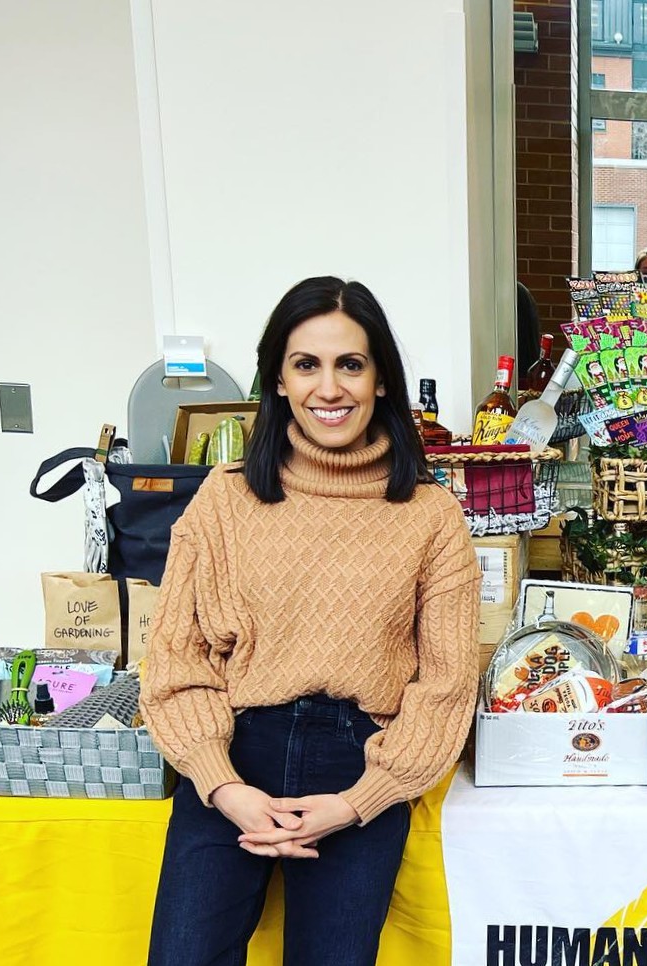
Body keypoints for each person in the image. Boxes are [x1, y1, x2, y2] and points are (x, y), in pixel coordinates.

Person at [141, 276, 481, 966]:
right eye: (307, 365)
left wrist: (360, 800)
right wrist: (222, 784)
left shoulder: (430, 515)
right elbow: (179, 660)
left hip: (358, 766)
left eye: (349, 364)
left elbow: (446, 685)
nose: (330, 388)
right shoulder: (226, 498)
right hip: (234, 750)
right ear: (278, 381)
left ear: (381, 379)